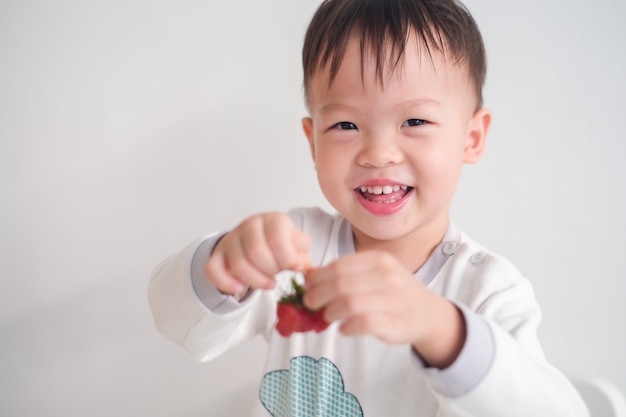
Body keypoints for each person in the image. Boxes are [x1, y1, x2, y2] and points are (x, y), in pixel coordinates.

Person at [148, 0, 590, 415]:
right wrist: (224, 262)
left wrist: (442, 329)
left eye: (415, 121)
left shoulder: (489, 291)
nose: (378, 154)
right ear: (313, 141)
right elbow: (176, 320)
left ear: (471, 138)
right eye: (345, 124)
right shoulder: (297, 250)